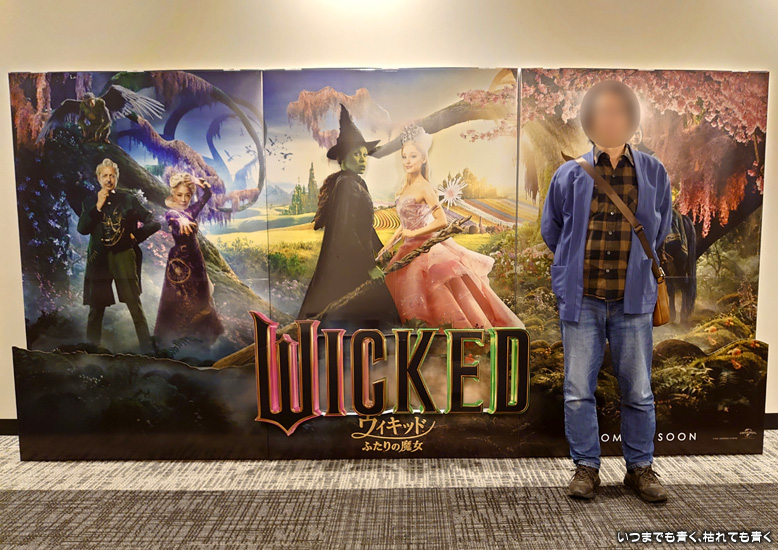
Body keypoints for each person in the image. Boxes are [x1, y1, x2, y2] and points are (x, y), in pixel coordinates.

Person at [541, 80, 673, 503]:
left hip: (632, 301)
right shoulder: (569, 174)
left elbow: (661, 226)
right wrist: (571, 269)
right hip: (583, 299)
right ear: (589, 120)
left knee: (638, 389)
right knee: (578, 389)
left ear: (631, 118)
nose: (610, 119)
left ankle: (640, 469)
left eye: (619, 111)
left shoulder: (653, 171)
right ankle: (586, 467)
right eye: (602, 111)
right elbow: (552, 230)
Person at [378, 124, 525, 330]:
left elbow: (441, 221)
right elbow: (404, 224)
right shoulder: (404, 187)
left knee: (435, 294)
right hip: (407, 248)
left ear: (423, 159)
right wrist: (389, 244)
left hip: (427, 249)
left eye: (413, 156)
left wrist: (414, 232)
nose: (407, 161)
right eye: (404, 157)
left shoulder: (425, 187)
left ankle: (447, 338)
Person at [297, 104, 401, 332]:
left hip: (356, 262)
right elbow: (346, 232)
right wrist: (369, 267)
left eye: (364, 155)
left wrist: (382, 251)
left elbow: (365, 227)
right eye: (356, 154)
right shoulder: (346, 185)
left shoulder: (355, 182)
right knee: (368, 316)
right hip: (350, 265)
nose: (363, 159)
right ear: (343, 159)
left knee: (361, 319)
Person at [77, 158, 161, 352]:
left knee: (134, 304)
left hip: (123, 256)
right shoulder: (90, 201)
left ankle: (147, 349)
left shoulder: (128, 198)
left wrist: (135, 237)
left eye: (112, 175)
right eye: (105, 175)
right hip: (98, 259)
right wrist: (98, 206)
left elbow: (154, 221)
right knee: (96, 308)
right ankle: (91, 351)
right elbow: (83, 229)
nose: (109, 179)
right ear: (98, 178)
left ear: (116, 178)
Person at [154, 172, 224, 352]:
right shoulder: (171, 213)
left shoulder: (191, 211)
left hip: (196, 261)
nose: (184, 199)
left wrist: (198, 182)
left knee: (202, 299)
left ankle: (200, 341)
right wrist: (180, 219)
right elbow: (170, 216)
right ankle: (176, 343)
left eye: (187, 195)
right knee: (181, 301)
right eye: (179, 195)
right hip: (180, 264)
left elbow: (207, 195)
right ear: (173, 194)